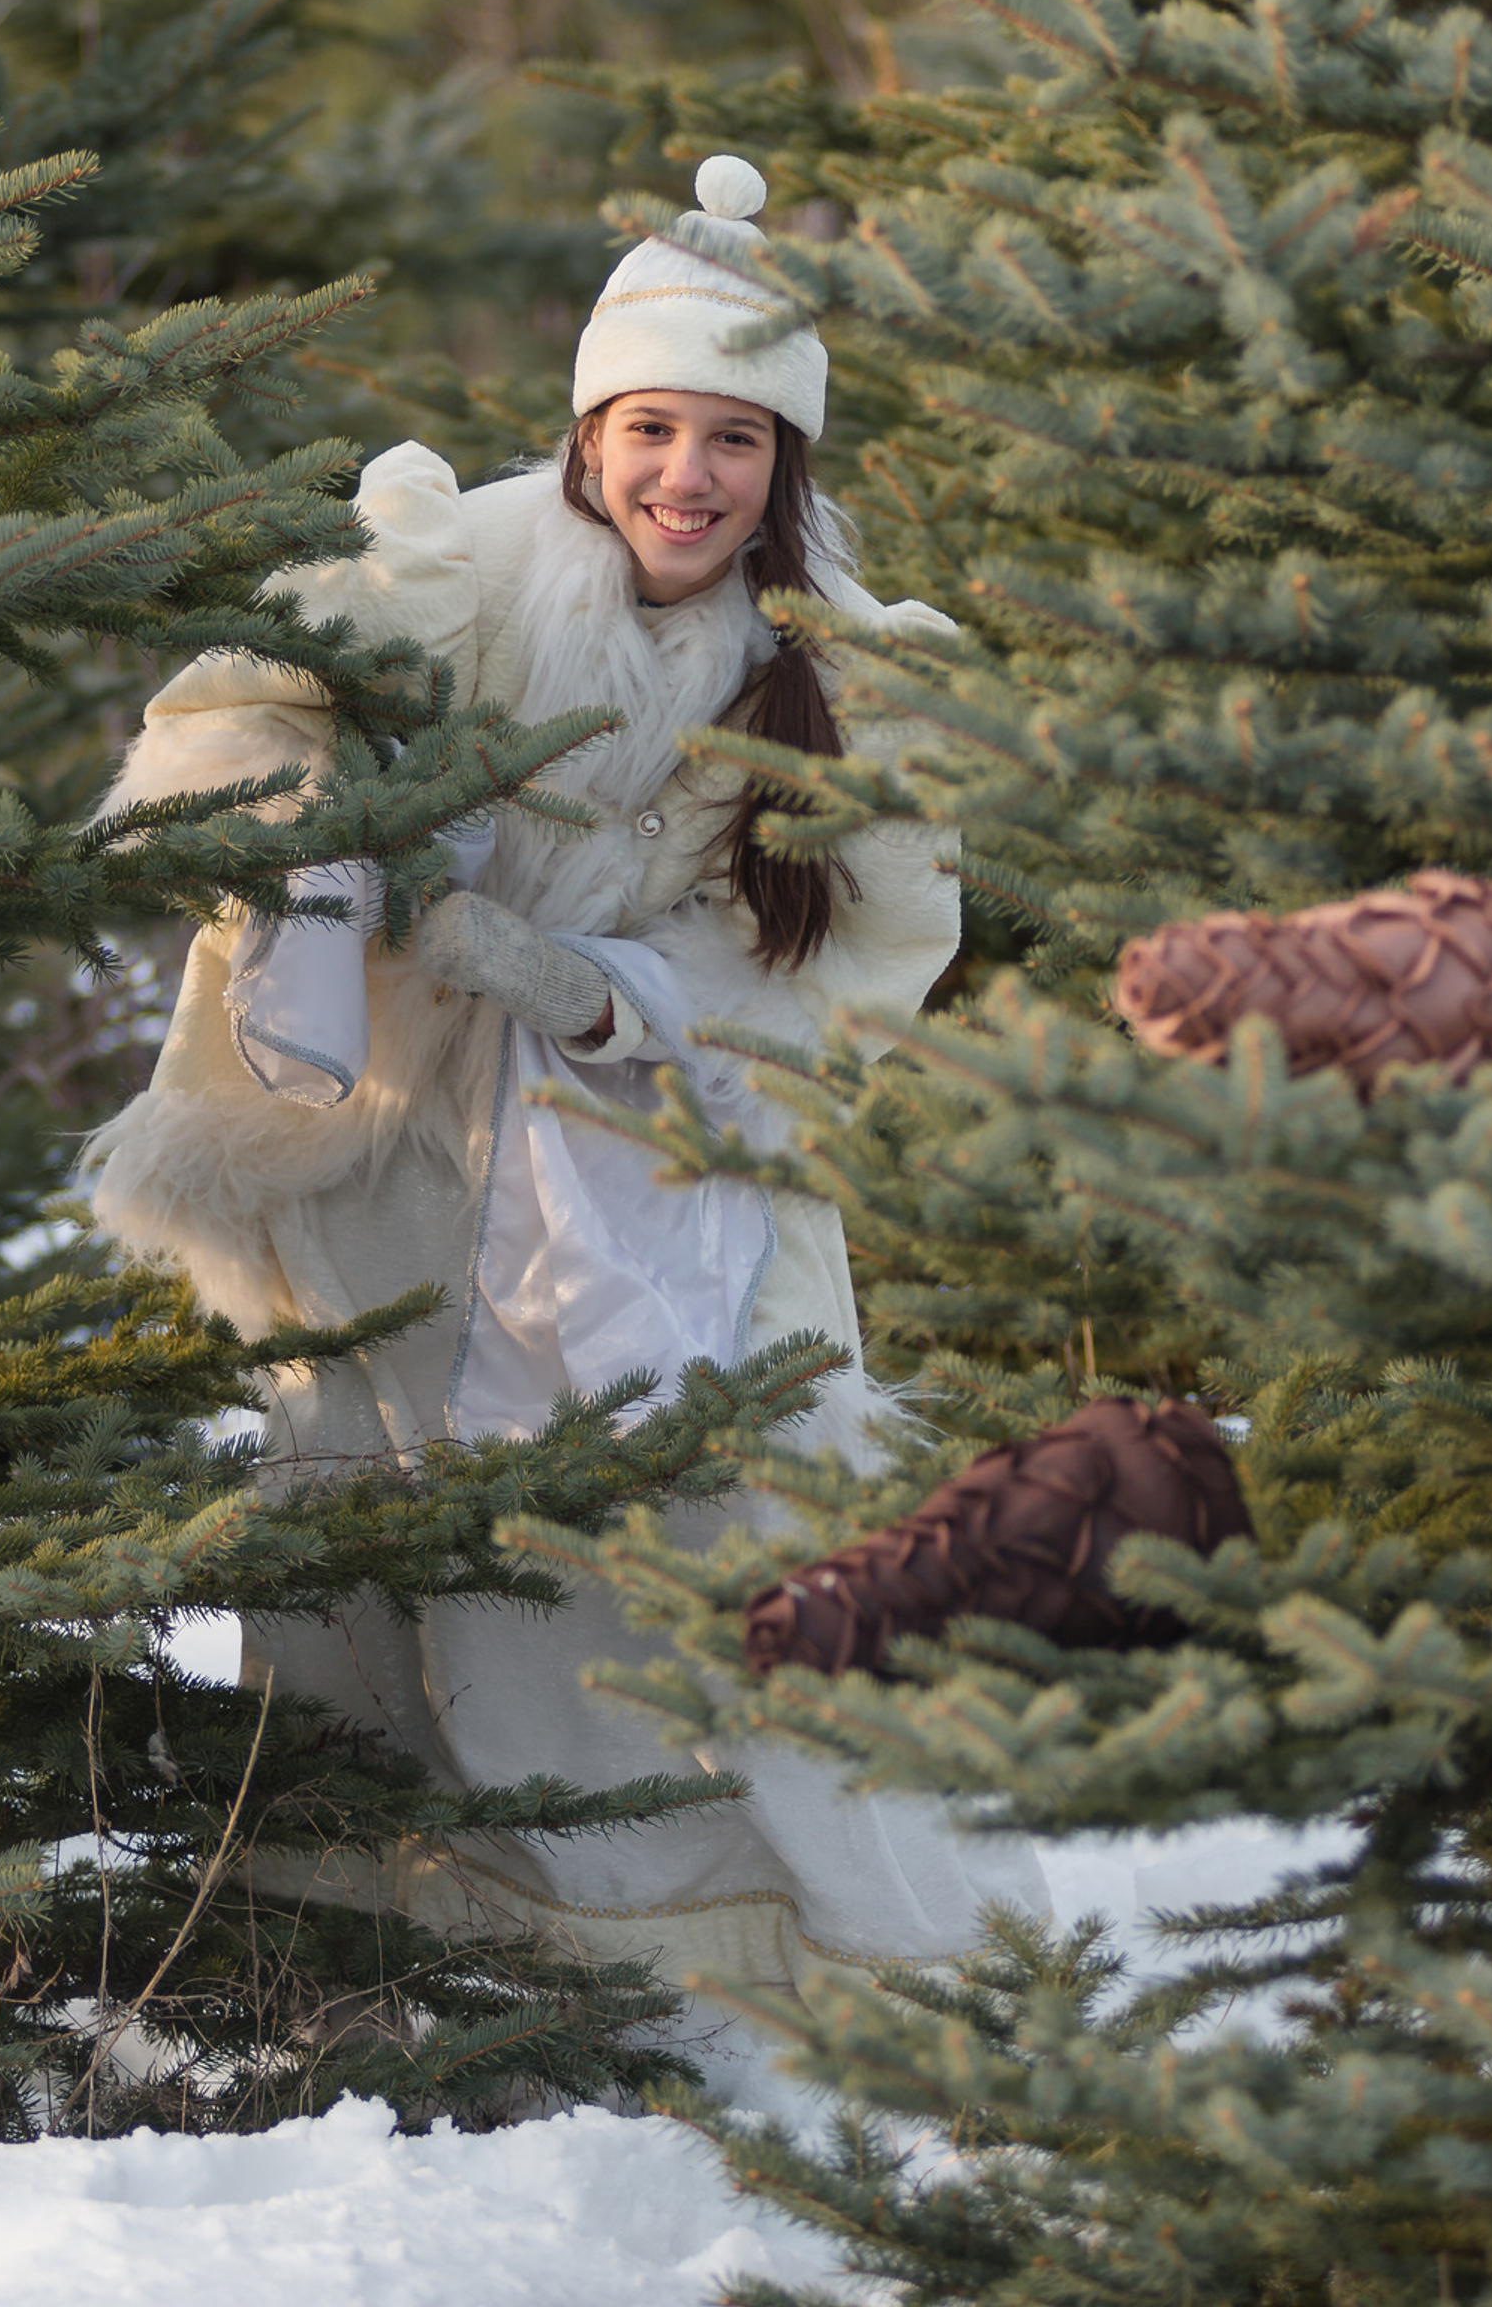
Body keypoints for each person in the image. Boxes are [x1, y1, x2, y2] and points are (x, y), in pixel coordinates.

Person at [86, 157, 1045, 2084]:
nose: (688, 478)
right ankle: (340, 1954)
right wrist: (328, 825)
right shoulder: (459, 570)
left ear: (785, 468)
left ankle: (751, 1966)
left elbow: (868, 953)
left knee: (705, 1518)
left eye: (735, 444)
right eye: (654, 430)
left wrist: (600, 987)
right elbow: (238, 727)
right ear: (591, 430)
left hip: (662, 1153)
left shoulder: (837, 671)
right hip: (404, 1144)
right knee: (371, 1512)